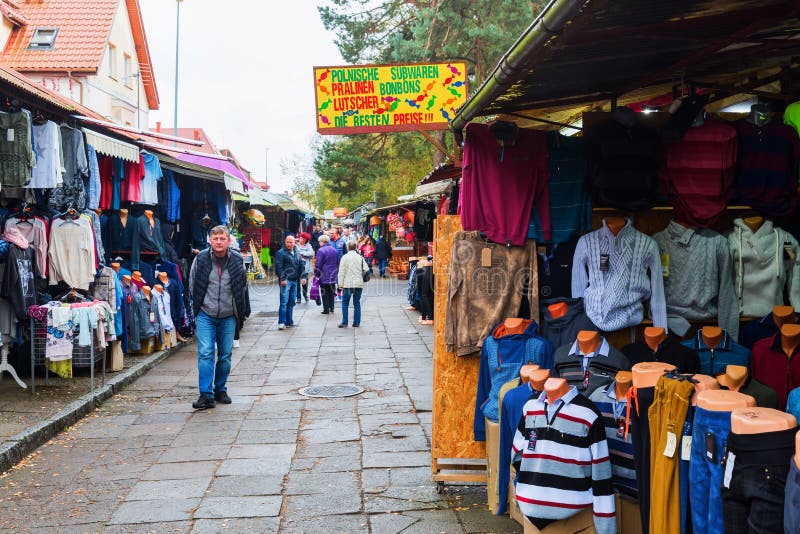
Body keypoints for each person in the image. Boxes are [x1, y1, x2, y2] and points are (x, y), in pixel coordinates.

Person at [189, 225, 249, 410]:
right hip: (206, 314)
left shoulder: (237, 260)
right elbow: (192, 284)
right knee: (206, 353)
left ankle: (220, 389)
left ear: (228, 240)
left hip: (228, 315)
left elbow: (242, 286)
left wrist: (241, 311)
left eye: (222, 239)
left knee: (225, 355)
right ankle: (205, 394)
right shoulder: (201, 259)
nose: (218, 242)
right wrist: (199, 307)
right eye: (215, 239)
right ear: (210, 240)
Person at [274, 235, 305, 330]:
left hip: (294, 281)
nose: (289, 244)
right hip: (286, 281)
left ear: (294, 243)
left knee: (291, 302)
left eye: (291, 242)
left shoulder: (297, 252)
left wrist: (303, 276)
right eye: (287, 242)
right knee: (284, 302)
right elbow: (278, 267)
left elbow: (301, 265)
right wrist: (282, 278)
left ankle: (289, 321)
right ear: (285, 242)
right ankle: (281, 322)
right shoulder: (281, 253)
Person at [337, 241, 368, 328]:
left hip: (347, 284)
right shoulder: (360, 257)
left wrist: (340, 284)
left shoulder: (344, 257)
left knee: (345, 303)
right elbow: (366, 269)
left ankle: (344, 322)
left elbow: (341, 272)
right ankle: (356, 322)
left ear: (347, 247)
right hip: (358, 283)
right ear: (355, 247)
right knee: (357, 303)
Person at [315, 234, 339, 314]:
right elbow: (337, 262)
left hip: (324, 274)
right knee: (331, 291)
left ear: (322, 241)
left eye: (319, 242)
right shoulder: (334, 250)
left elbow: (318, 264)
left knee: (324, 292)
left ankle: (326, 309)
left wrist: (316, 274)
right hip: (333, 274)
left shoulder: (321, 250)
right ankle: (332, 308)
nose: (319, 243)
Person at [296, 232, 314, 304]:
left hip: (305, 268)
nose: (301, 239)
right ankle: (298, 298)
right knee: (297, 283)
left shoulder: (308, 246)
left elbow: (312, 253)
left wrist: (303, 253)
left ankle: (305, 294)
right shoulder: (296, 245)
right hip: (296, 267)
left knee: (304, 283)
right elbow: (294, 253)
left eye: (303, 238)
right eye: (300, 238)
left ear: (306, 239)